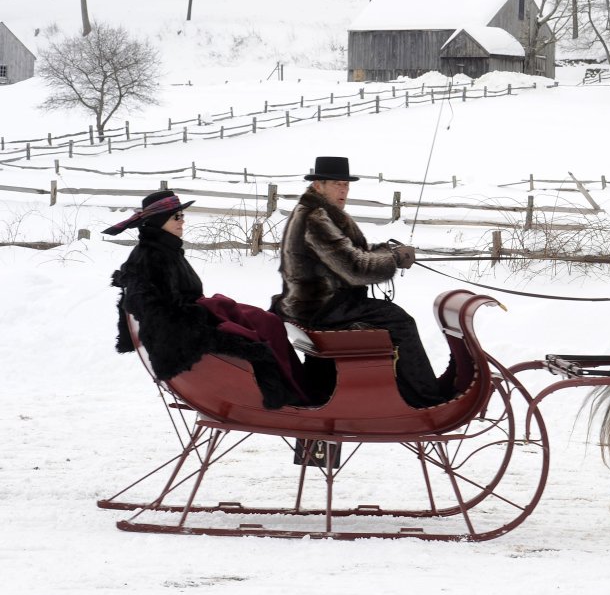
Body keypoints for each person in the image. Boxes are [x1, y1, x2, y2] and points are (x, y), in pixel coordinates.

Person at [271, 156, 454, 408]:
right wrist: (394, 259)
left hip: (318, 304)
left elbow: (354, 254)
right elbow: (355, 269)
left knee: (390, 316)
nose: (344, 190)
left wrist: (390, 254)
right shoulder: (316, 218)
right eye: (337, 184)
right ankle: (426, 399)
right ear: (317, 186)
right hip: (322, 308)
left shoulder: (321, 213)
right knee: (400, 322)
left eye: (346, 185)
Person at [108, 190, 310, 409]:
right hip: (182, 334)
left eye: (182, 215)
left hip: (194, 319)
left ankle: (299, 388)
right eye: (176, 216)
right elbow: (160, 314)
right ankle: (286, 392)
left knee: (267, 321)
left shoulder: (165, 250)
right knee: (263, 330)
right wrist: (202, 315)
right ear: (159, 221)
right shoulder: (153, 257)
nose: (182, 221)